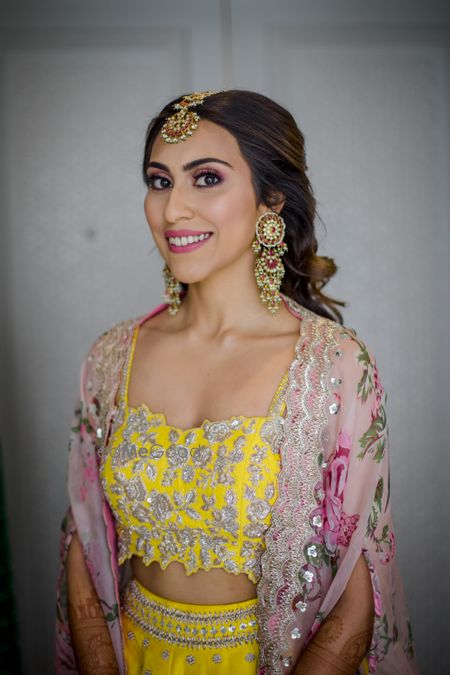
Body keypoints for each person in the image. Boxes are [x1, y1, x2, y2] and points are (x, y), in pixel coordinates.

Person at [55, 90, 418, 675]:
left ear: (271, 197)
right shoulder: (112, 356)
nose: (173, 210)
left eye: (205, 179)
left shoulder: (335, 366)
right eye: (159, 180)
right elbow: (84, 537)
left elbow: (361, 594)